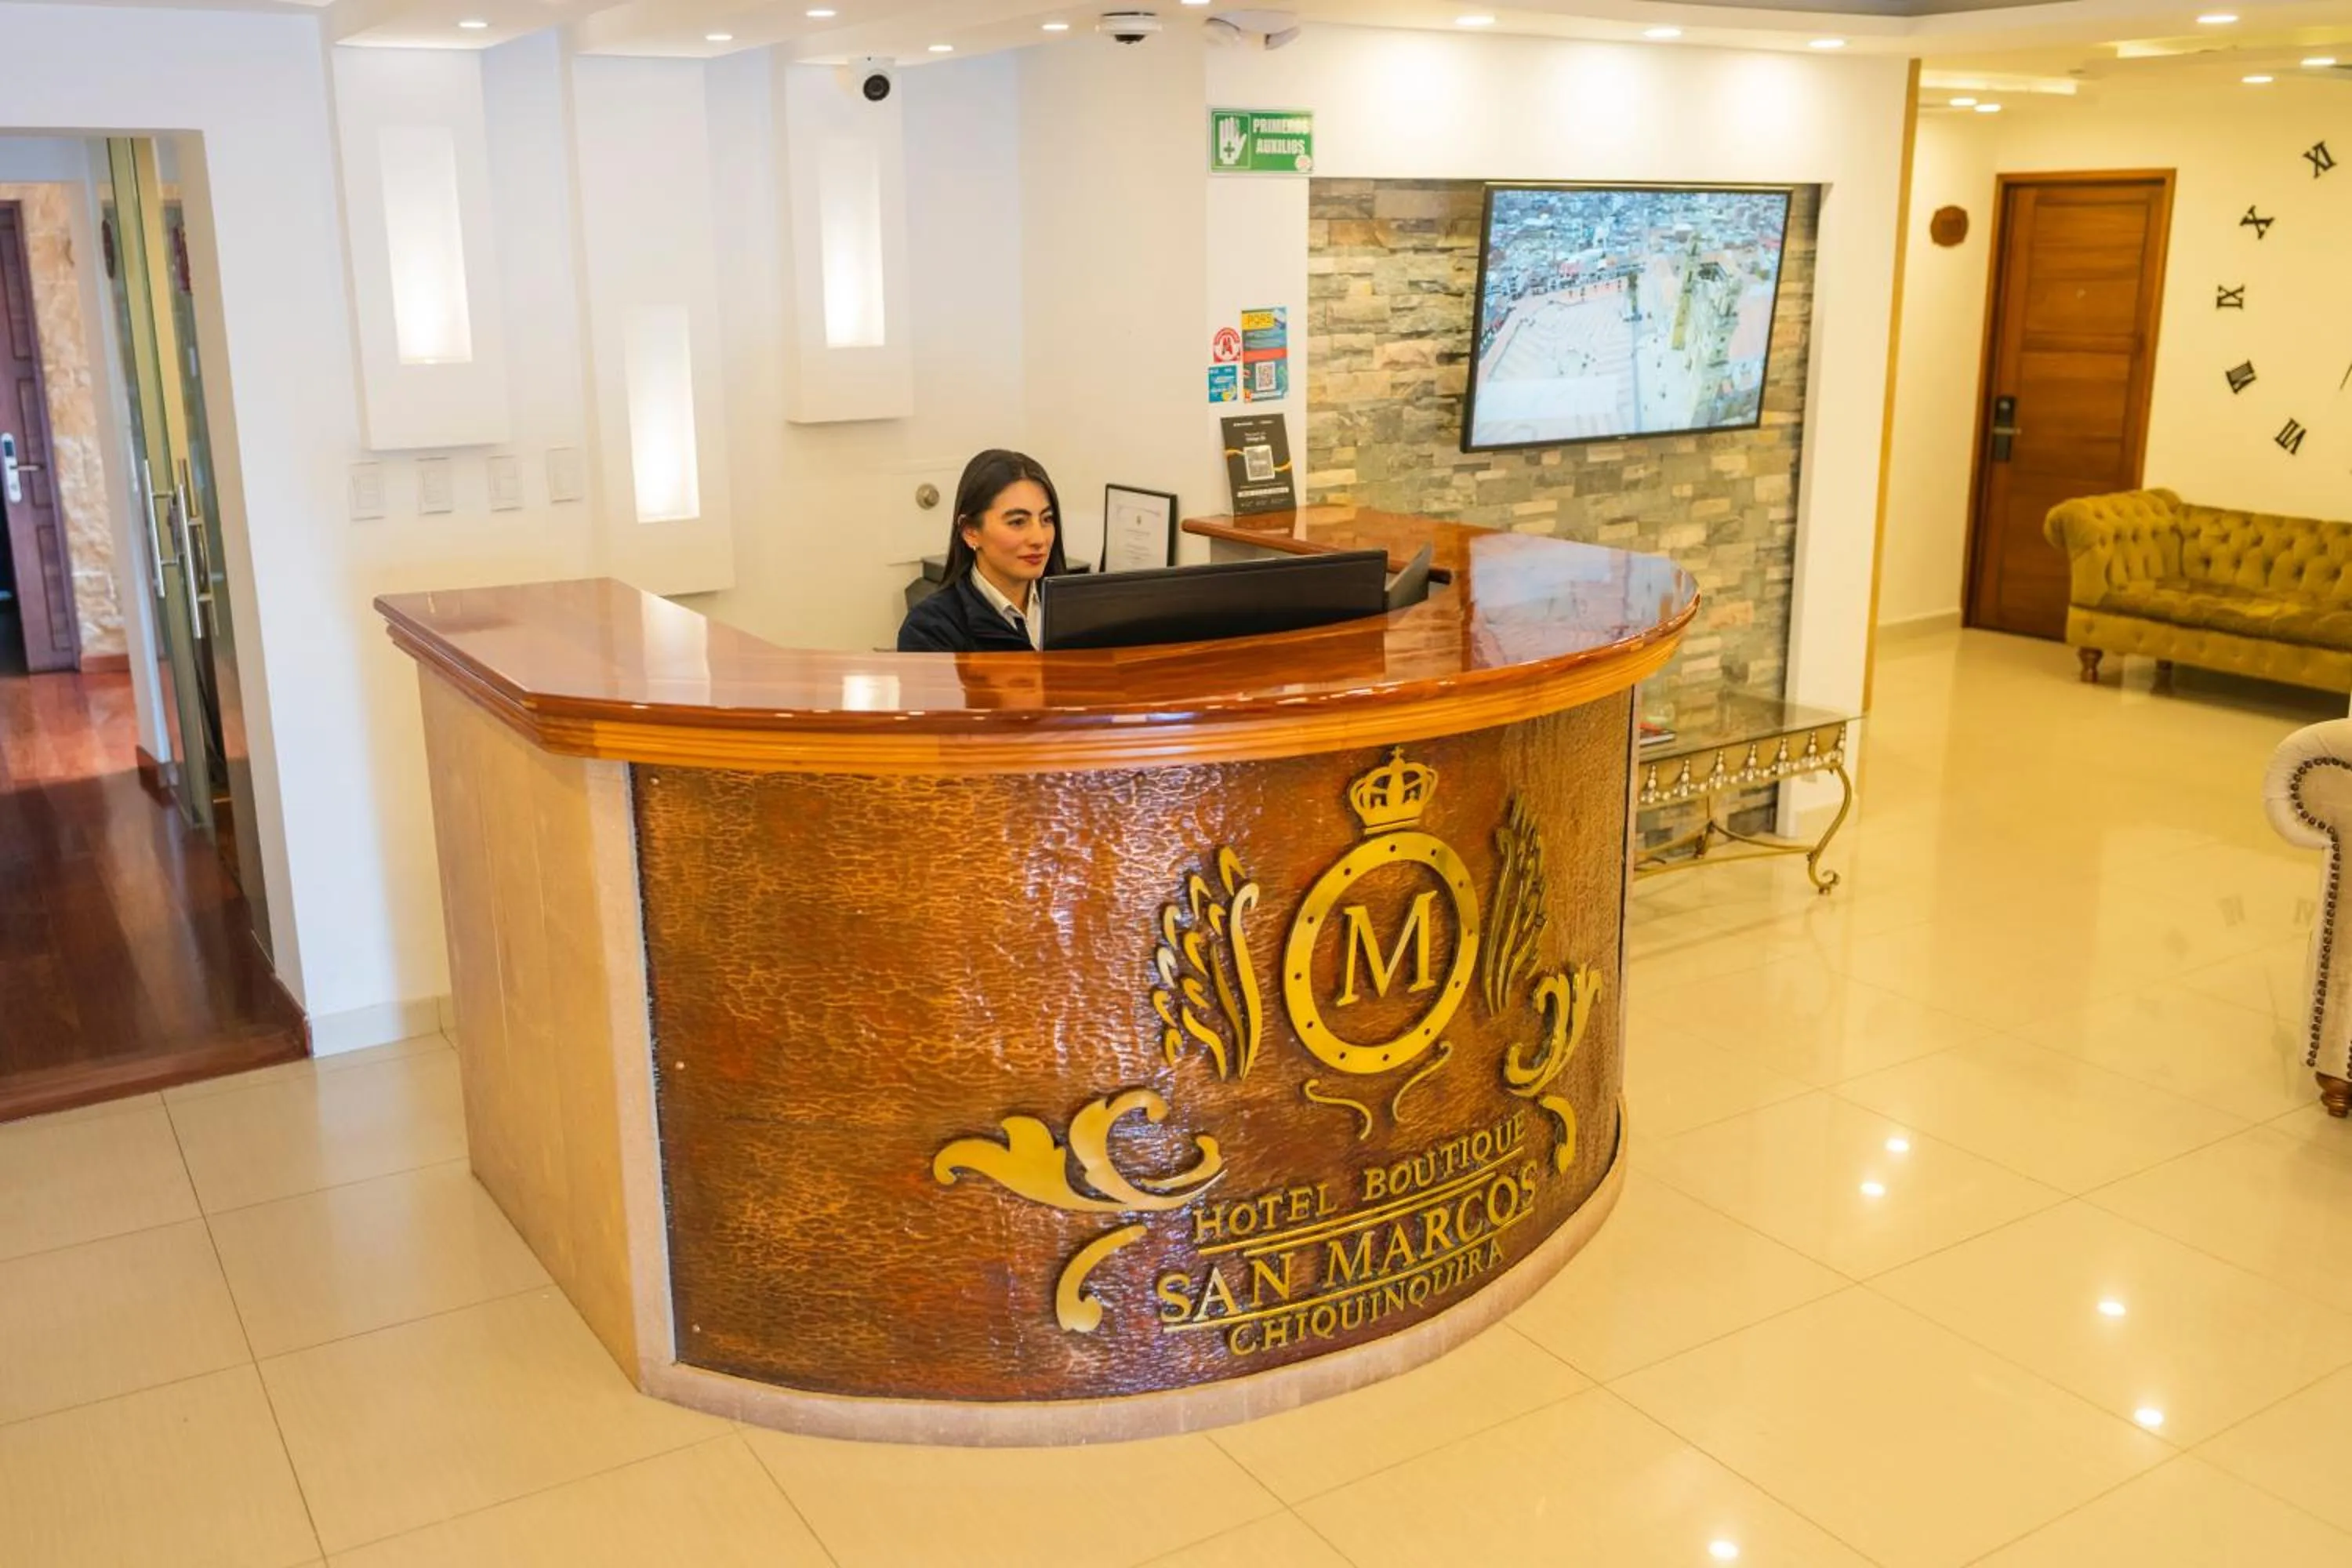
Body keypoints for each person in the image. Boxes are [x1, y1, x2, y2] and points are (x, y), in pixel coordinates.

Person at [897, 449, 1067, 653]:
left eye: (1046, 519)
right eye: (1018, 522)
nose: (1039, 539)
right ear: (970, 531)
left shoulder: (1079, 611)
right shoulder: (930, 629)